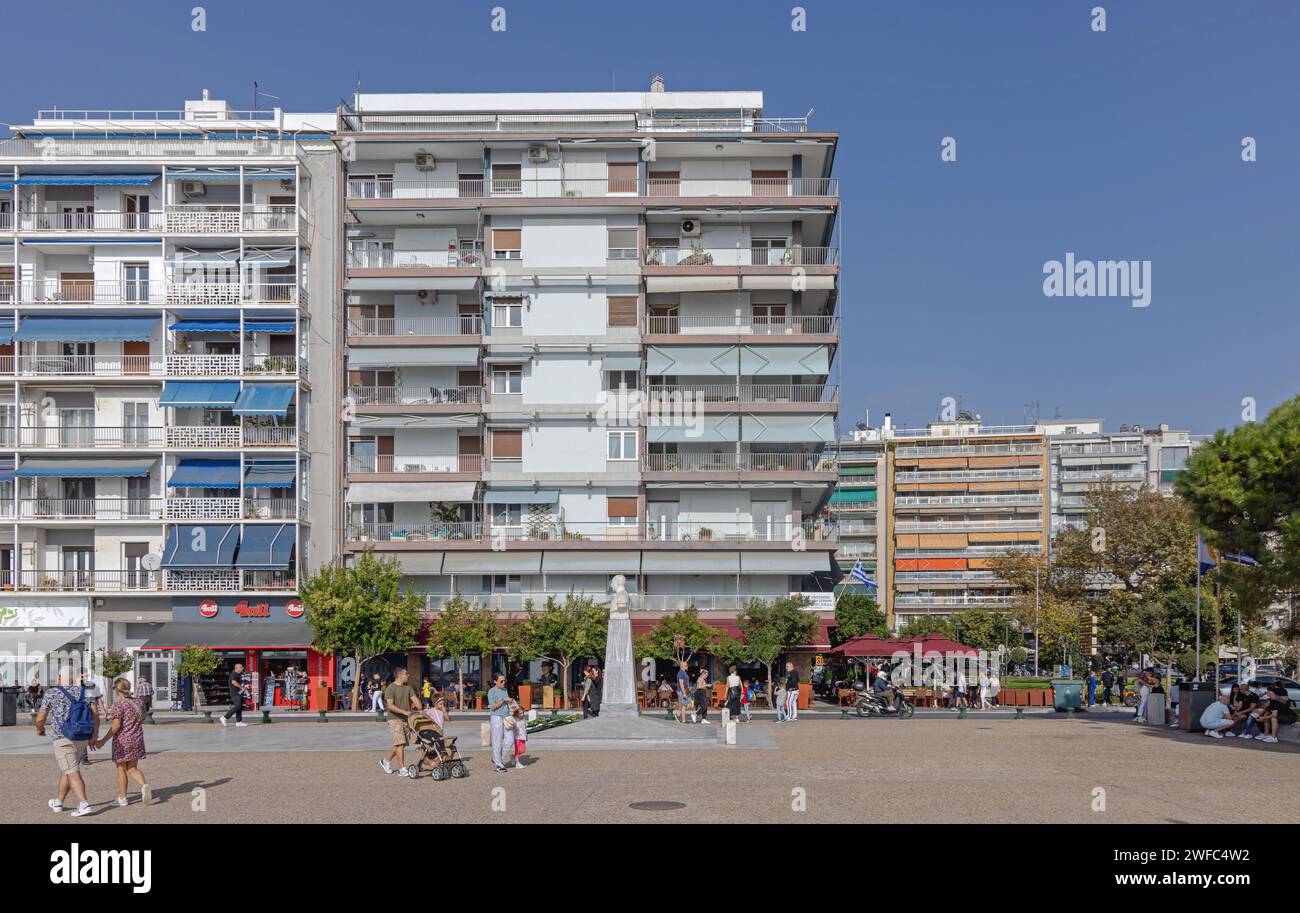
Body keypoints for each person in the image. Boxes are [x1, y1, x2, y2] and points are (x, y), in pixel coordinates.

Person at [35, 668, 99, 817]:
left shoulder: (52, 693)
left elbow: (40, 718)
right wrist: (94, 735)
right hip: (82, 736)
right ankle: (58, 802)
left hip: (62, 737)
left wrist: (40, 729)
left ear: (59, 678)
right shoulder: (87, 692)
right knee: (68, 769)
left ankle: (84, 804)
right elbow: (95, 714)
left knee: (72, 771)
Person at [91, 678, 152, 807]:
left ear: (117, 690)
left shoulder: (119, 705)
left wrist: (102, 741)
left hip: (123, 741)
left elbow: (116, 726)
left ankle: (122, 798)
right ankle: (144, 785)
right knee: (133, 768)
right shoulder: (139, 702)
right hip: (137, 738)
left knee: (121, 769)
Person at [379, 667, 422, 777]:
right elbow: (390, 705)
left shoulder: (408, 688)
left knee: (400, 744)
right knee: (400, 743)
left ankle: (386, 761)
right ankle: (402, 768)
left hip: (405, 719)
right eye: (406, 674)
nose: (408, 675)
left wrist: (420, 708)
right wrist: (404, 712)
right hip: (394, 718)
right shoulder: (390, 688)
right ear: (399, 675)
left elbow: (416, 700)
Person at [487, 673, 513, 773]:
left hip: (506, 717)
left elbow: (506, 701)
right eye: (501, 681)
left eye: (504, 680)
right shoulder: (492, 691)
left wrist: (509, 701)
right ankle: (498, 764)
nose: (503, 682)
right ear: (495, 681)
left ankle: (496, 758)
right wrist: (502, 701)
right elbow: (492, 706)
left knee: (510, 740)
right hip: (496, 717)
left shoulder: (505, 690)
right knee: (497, 741)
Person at [220, 663, 247, 727]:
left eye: (242, 667)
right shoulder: (234, 674)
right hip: (235, 693)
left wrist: (244, 687)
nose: (242, 668)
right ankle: (225, 717)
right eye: (241, 667)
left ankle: (239, 722)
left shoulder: (239, 674)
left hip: (239, 693)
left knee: (239, 707)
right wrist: (241, 687)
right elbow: (234, 682)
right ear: (237, 668)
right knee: (238, 706)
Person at [512, 701, 529, 768]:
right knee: (517, 750)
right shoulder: (514, 719)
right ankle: (517, 763)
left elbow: (525, 728)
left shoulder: (524, 720)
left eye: (522, 713)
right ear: (516, 714)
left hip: (523, 737)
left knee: (523, 750)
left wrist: (527, 735)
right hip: (516, 737)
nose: (522, 714)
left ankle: (514, 757)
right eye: (520, 713)